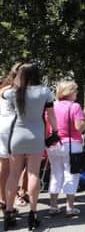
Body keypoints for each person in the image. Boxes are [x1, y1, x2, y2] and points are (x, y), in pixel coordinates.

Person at [1, 63, 58, 231]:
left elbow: (3, 93)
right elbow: (51, 116)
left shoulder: (12, 92)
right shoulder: (45, 92)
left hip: (16, 135)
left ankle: (9, 212)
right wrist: (55, 132)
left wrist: (16, 81)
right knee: (33, 174)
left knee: (13, 174)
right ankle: (33, 213)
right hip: (36, 135)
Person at [47, 80, 85, 217]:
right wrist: (84, 121)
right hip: (71, 144)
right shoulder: (75, 107)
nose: (76, 93)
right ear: (69, 93)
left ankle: (53, 205)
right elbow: (79, 128)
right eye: (75, 91)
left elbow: (47, 126)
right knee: (71, 174)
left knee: (55, 174)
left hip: (54, 144)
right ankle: (69, 207)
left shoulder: (52, 106)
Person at [0, 63, 19, 215]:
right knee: (15, 167)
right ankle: (11, 201)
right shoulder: (17, 91)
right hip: (14, 127)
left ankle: (3, 199)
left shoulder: (3, 90)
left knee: (3, 165)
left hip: (2, 126)